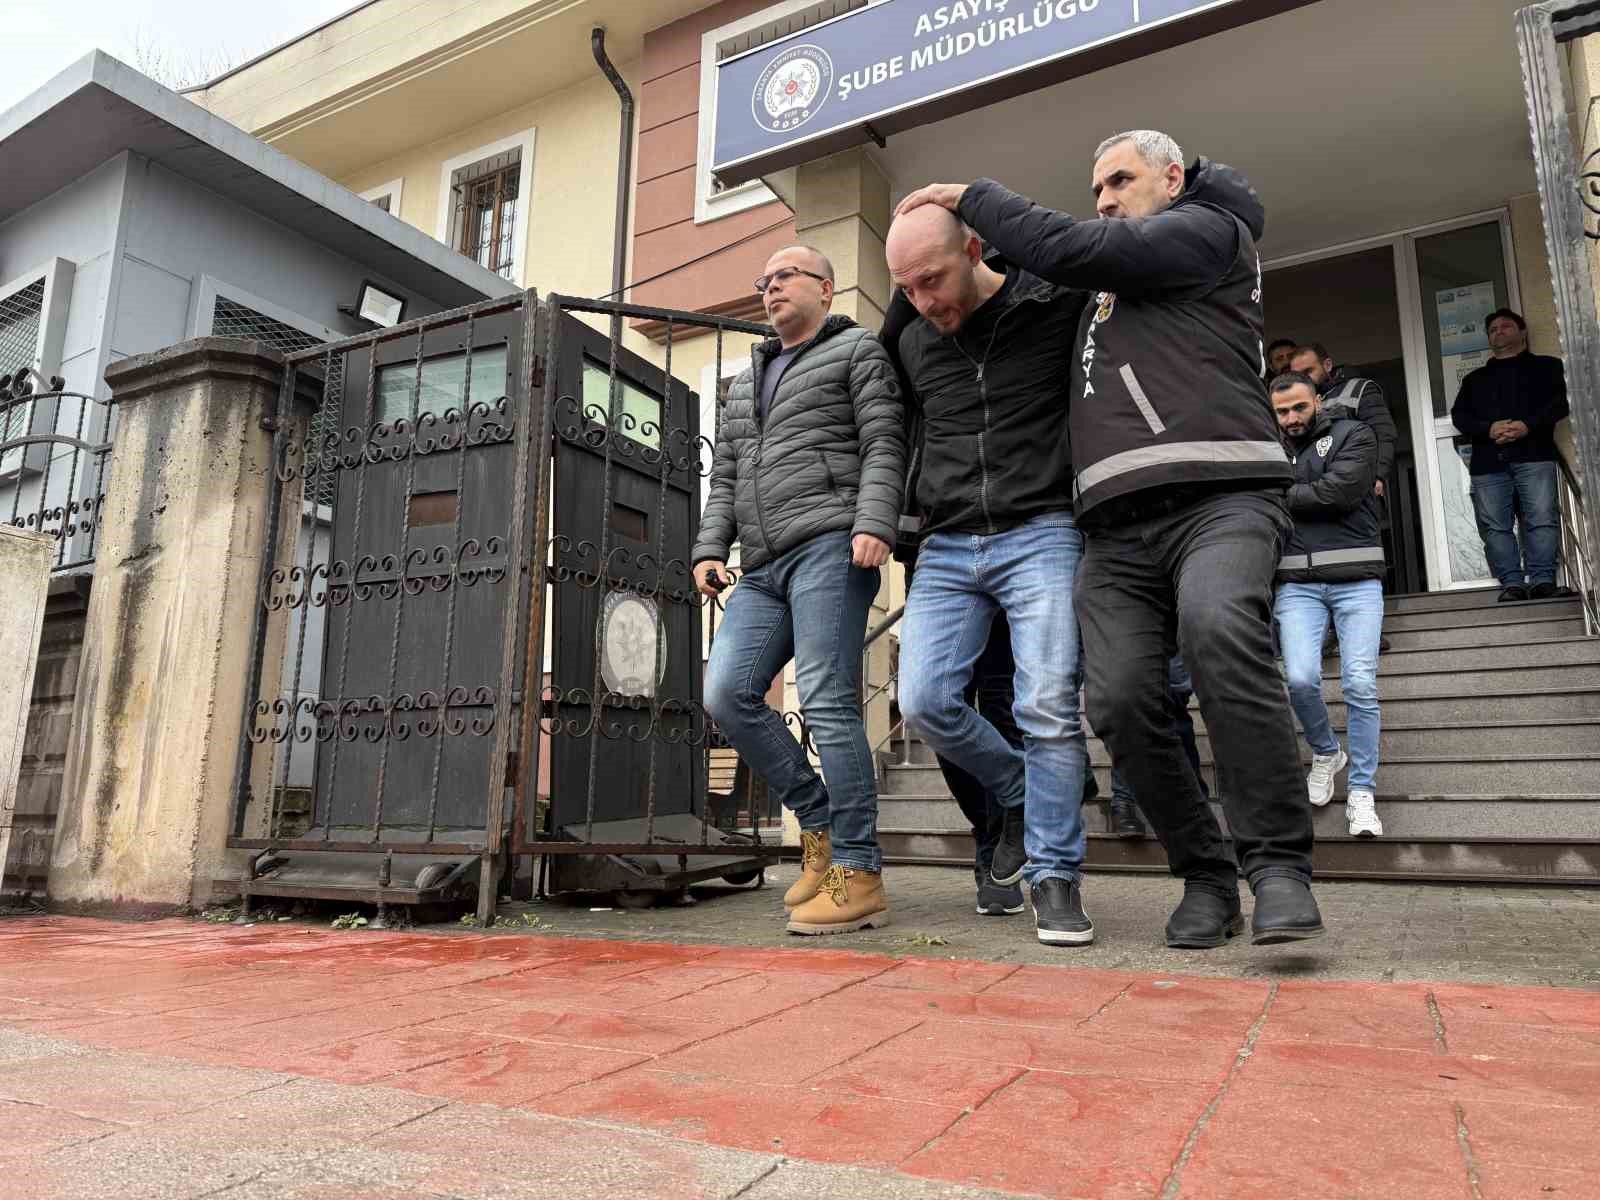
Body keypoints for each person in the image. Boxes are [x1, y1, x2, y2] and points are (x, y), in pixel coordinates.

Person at [897, 129, 1323, 949]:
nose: (1103, 199)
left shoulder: (1206, 233)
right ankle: (1204, 873)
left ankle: (1276, 867)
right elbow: (976, 291)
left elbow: (1064, 244)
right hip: (1114, 528)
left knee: (1218, 629)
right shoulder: (1089, 291)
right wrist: (926, 262)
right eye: (1095, 187)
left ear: (1172, 178)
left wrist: (967, 195)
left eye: (1119, 180)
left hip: (1221, 495)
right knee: (1119, 699)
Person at [884, 203, 1095, 947]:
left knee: (1046, 707)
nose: (924, 303)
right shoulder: (912, 341)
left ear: (976, 250)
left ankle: (1055, 875)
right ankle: (1014, 791)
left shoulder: (1049, 306)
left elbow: (1080, 250)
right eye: (905, 289)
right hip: (946, 543)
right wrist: (911, 281)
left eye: (933, 280)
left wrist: (978, 196)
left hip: (1042, 529)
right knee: (925, 699)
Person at [693, 244, 905, 935]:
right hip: (762, 566)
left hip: (829, 544)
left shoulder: (856, 353)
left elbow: (883, 441)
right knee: (725, 693)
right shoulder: (742, 383)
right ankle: (818, 822)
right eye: (764, 281)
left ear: (825, 285)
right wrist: (707, 549)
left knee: (826, 697)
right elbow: (724, 477)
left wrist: (875, 521)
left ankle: (860, 868)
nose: (771, 287)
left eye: (785, 276)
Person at [1270, 372, 1385, 838]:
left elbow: (1339, 492)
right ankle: (1325, 751)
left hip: (1357, 579)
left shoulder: (1354, 433)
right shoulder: (1267, 445)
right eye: (1282, 411)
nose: (1292, 418)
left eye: (1299, 407)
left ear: (1317, 400)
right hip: (1294, 582)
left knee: (1359, 684)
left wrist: (1277, 494)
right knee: (1298, 678)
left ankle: (1362, 792)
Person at [1449, 308, 1571, 601]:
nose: (1498, 332)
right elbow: (1460, 416)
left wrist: (1527, 426)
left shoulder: (1548, 367)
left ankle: (1543, 580)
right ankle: (1512, 584)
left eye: (1505, 326)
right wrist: (1489, 429)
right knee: (1495, 527)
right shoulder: (1474, 379)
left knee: (1541, 517)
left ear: (1522, 332)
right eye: (1492, 329)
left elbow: (1561, 403)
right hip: (1488, 463)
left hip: (1534, 455)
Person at [1106, 655, 1205, 837]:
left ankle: (1192, 798)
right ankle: (1124, 800)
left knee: (1173, 698)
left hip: (1173, 632)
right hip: (1125, 631)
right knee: (1129, 701)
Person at [1289, 344, 1397, 498]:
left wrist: (1378, 476)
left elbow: (1383, 433)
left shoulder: (1359, 389)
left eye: (1308, 371)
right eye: (1297, 375)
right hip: (1315, 489)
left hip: (1356, 485)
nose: (1303, 379)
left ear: (1327, 365)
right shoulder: (1298, 404)